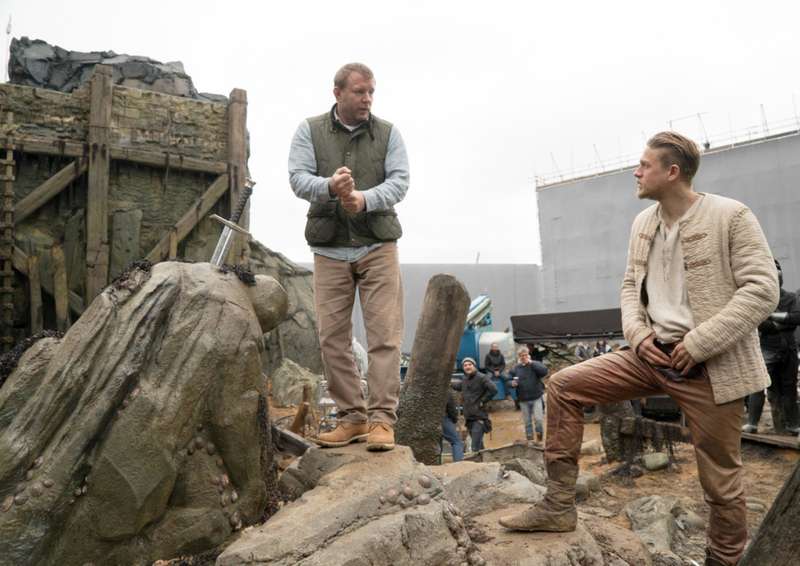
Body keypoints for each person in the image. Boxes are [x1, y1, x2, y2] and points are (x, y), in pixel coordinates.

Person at [498, 132, 779, 566]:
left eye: (644, 165)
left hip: (713, 366)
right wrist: (639, 337)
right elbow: (630, 286)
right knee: (565, 385)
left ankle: (722, 561)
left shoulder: (731, 215)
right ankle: (557, 506)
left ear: (672, 172)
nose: (636, 171)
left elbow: (762, 291)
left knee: (722, 482)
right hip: (649, 357)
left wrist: (700, 343)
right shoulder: (643, 223)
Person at [288, 62, 409, 451]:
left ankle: (382, 423)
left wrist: (365, 200)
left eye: (371, 91)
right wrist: (329, 186)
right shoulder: (308, 130)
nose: (368, 99)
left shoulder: (389, 133)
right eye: (360, 92)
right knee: (332, 339)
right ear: (338, 93)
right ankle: (353, 419)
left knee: (384, 337)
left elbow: (400, 181)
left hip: (378, 246)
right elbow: (297, 178)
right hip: (329, 249)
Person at [742, 260, 800, 435]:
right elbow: (761, 323)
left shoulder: (791, 297)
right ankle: (752, 423)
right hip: (767, 348)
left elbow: (798, 318)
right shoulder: (760, 299)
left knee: (789, 387)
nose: (777, 280)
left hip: (789, 348)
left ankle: (794, 425)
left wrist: (772, 316)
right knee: (759, 384)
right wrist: (785, 320)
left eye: (779, 277)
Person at [451, 357, 498, 453]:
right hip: (469, 417)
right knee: (479, 445)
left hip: (479, 417)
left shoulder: (482, 377)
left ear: (474, 365)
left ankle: (476, 465)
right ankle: (486, 463)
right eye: (465, 365)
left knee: (475, 448)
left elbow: (494, 389)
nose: (468, 367)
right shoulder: (465, 380)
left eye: (470, 364)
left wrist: (483, 401)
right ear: (463, 367)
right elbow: (457, 386)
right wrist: (445, 381)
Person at [506, 347, 549, 442]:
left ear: (528, 355)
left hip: (536, 397)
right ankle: (530, 441)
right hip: (523, 399)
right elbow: (508, 380)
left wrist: (531, 363)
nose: (524, 357)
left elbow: (544, 372)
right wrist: (511, 384)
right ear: (518, 357)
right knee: (527, 422)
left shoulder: (535, 364)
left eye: (525, 355)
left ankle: (540, 439)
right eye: (522, 356)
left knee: (538, 420)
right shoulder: (515, 368)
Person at [440, 392, 464, 462]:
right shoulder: (445, 389)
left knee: (437, 445)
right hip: (444, 419)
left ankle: (437, 466)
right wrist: (455, 420)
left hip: (429, 420)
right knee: (457, 442)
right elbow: (450, 407)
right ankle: (457, 465)